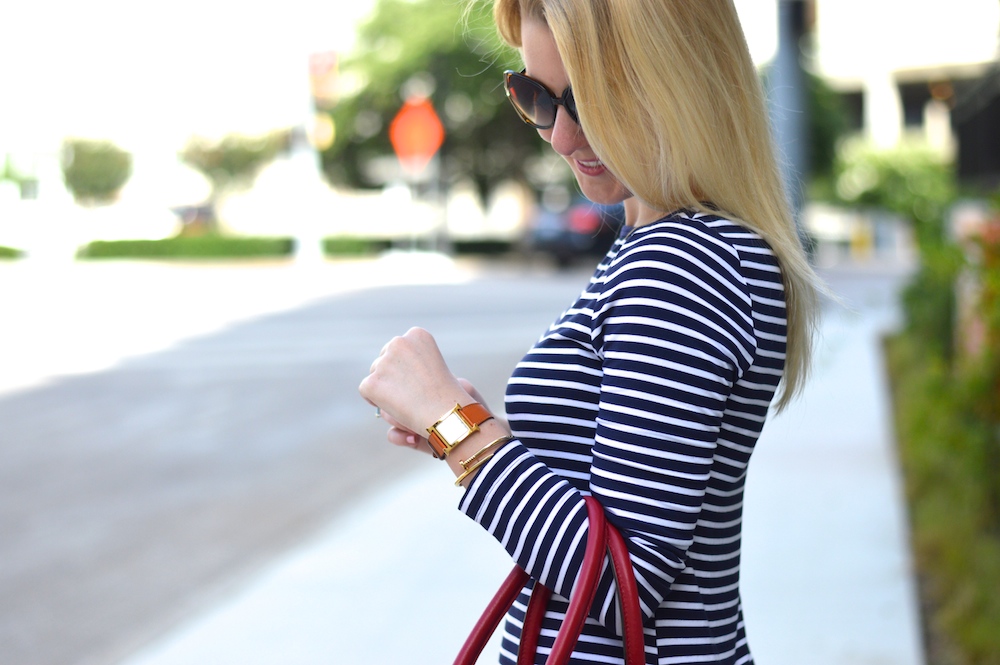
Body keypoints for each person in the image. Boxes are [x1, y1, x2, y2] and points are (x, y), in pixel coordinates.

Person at [359, 0, 821, 662]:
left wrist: (459, 428)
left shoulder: (680, 263)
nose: (561, 135)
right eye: (535, 97)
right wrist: (467, 429)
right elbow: (611, 499)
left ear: (679, 79)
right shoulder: (677, 246)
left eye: (591, 100)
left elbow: (622, 579)